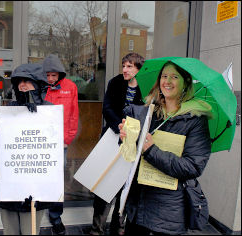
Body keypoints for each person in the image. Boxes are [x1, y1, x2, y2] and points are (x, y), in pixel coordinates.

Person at [118, 61, 212, 235]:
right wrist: (127, 137)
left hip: (168, 212)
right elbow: (132, 155)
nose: (167, 81)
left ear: (185, 83)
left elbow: (192, 166)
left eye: (174, 77)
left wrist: (152, 150)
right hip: (138, 205)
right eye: (164, 76)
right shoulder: (149, 113)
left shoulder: (196, 120)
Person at [0, 63, 53, 235]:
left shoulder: (49, 112)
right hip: (10, 186)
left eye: (27, 81)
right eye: (19, 82)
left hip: (35, 187)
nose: (22, 85)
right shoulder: (9, 109)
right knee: (10, 231)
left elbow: (51, 145)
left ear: (39, 84)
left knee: (30, 231)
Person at [90, 52, 145, 235]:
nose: (125, 69)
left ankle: (117, 228)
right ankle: (97, 229)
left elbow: (147, 114)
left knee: (125, 187)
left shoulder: (145, 87)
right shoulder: (115, 82)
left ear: (138, 68)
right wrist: (118, 126)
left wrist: (131, 131)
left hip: (133, 143)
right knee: (104, 184)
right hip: (112, 137)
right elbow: (107, 108)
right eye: (124, 65)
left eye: (129, 66)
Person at [42, 54, 79, 235]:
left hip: (60, 142)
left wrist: (67, 140)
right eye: (47, 75)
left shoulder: (70, 87)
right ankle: (38, 208)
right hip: (40, 141)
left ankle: (55, 216)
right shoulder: (40, 87)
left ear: (60, 74)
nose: (50, 79)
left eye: (53, 75)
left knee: (57, 179)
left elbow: (73, 115)